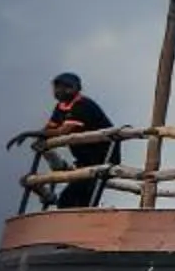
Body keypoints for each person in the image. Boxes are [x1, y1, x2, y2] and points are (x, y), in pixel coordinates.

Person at [35, 71, 116, 208]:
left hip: (102, 158)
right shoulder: (61, 107)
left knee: (79, 199)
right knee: (70, 199)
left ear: (74, 89)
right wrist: (38, 137)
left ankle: (83, 221)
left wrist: (37, 134)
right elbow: (50, 128)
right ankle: (59, 169)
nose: (58, 91)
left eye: (64, 87)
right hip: (84, 161)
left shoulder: (82, 105)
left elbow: (64, 131)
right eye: (57, 87)